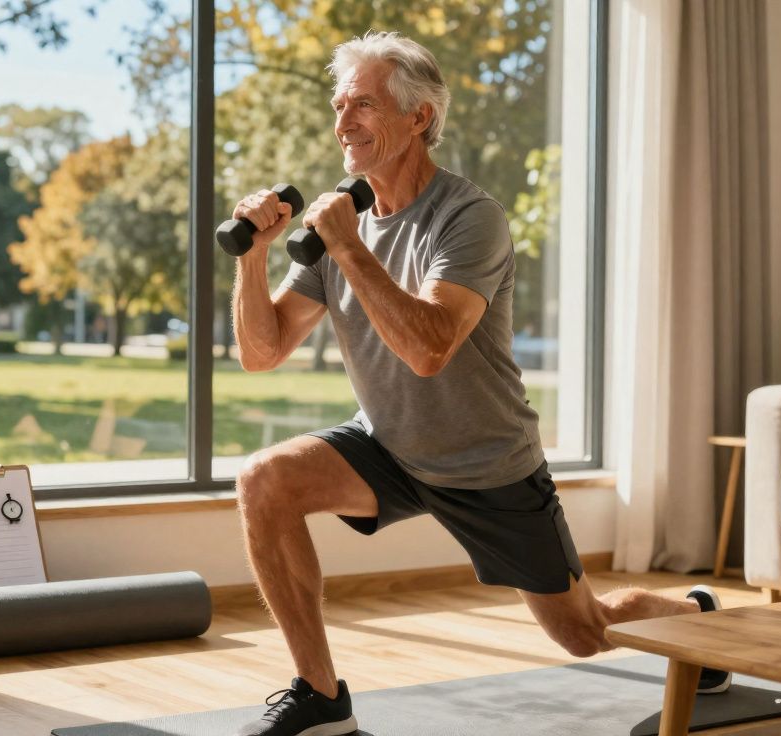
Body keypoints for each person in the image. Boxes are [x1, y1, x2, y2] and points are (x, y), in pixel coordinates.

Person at [228, 31, 727, 736]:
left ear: (418, 117)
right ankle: (321, 696)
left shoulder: (469, 219)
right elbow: (263, 350)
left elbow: (429, 348)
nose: (343, 125)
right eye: (340, 106)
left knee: (585, 631)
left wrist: (346, 245)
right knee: (265, 479)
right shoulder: (340, 225)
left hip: (487, 462)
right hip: (392, 448)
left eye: (363, 106)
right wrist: (253, 260)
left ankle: (692, 617)